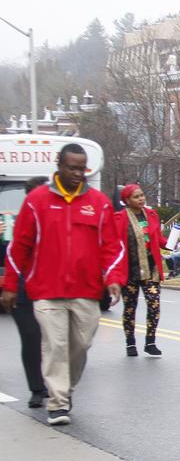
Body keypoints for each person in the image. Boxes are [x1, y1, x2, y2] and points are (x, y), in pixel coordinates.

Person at [2, 144, 125, 426]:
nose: (77, 174)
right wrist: (11, 284)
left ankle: (65, 390)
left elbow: (112, 247)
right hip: (46, 291)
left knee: (80, 345)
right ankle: (57, 403)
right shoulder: (37, 200)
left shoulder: (99, 202)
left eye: (82, 169)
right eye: (72, 168)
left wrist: (114, 279)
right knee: (55, 345)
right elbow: (18, 246)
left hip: (86, 290)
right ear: (59, 165)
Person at [4, 176, 48, 408]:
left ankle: (56, 384)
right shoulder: (14, 220)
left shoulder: (56, 218)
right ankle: (37, 388)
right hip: (24, 290)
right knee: (31, 338)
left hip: (51, 289)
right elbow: (10, 253)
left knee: (55, 341)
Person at [116, 183, 166, 357]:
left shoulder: (151, 215)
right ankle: (130, 343)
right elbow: (115, 245)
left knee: (154, 304)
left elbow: (158, 239)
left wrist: (173, 242)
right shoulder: (119, 218)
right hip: (130, 270)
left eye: (142, 195)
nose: (141, 199)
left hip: (151, 269)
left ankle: (150, 341)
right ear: (127, 200)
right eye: (136, 197)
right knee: (130, 306)